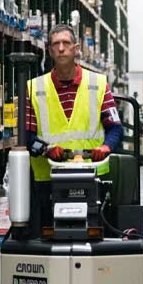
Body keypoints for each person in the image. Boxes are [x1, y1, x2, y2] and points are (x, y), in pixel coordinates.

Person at [25, 23, 124, 229]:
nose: (61, 48)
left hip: (92, 174)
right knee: (49, 234)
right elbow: (27, 136)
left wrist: (105, 147)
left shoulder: (98, 83)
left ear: (76, 48)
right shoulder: (34, 87)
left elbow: (115, 127)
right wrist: (45, 149)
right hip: (49, 177)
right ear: (49, 50)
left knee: (94, 230)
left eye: (66, 43)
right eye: (56, 44)